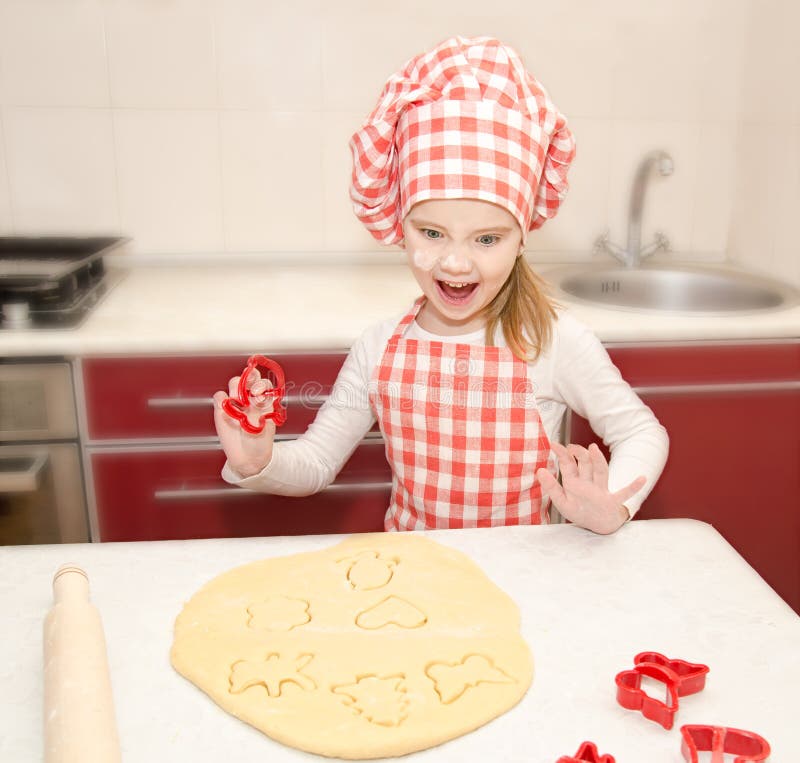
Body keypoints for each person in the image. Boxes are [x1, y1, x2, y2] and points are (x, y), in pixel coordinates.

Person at [213, 36, 669, 535]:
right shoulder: (379, 348)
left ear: (522, 238)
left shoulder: (552, 343)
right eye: (431, 232)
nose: (455, 262)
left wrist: (613, 505)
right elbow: (317, 462)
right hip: (413, 586)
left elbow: (641, 431)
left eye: (487, 238)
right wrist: (259, 462)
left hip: (526, 582)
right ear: (398, 223)